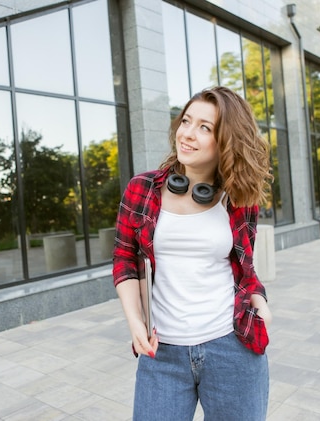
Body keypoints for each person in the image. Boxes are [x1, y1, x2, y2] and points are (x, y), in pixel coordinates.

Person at [113, 86, 273, 420]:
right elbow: (125, 260)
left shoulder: (239, 199)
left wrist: (261, 303)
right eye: (186, 121)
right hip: (163, 354)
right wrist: (135, 322)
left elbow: (245, 267)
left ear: (226, 140)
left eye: (204, 127)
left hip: (233, 347)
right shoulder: (142, 189)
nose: (187, 133)